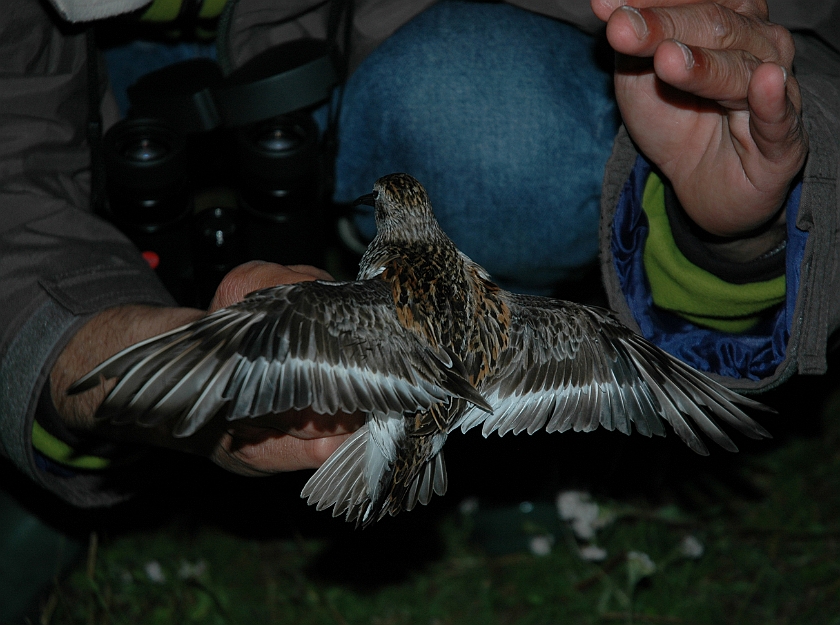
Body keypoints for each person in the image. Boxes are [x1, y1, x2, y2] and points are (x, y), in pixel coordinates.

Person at [0, 0, 836, 507]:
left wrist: (733, 236)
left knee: (503, 132)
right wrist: (93, 359)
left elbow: (804, 28)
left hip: (377, 65)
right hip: (100, 111)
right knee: (595, 338)